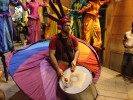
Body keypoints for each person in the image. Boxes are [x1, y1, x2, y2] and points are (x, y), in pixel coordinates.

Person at [49, 17, 80, 99]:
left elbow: (77, 51)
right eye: (66, 25)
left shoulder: (72, 38)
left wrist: (75, 60)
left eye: (69, 25)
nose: (68, 27)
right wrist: (57, 68)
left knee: (74, 84)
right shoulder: (54, 39)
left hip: (72, 64)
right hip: (60, 65)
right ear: (60, 27)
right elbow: (51, 54)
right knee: (61, 86)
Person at [0, 0, 20, 81]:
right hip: (0, 16)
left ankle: (10, 46)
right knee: (1, 30)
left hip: (7, 16)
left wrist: (20, 3)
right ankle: (2, 47)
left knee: (9, 31)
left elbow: (15, 3)